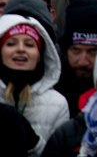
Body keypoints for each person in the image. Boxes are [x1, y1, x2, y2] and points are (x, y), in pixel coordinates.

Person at [0, 9, 70, 155]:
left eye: (29, 45)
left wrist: (33, 142)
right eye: (11, 43)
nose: (20, 49)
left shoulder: (58, 104)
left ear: (40, 55)